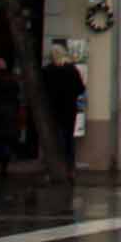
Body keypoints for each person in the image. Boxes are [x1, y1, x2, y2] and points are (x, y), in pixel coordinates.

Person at [40, 46, 85, 175]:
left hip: (53, 109)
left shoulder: (48, 70)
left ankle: (57, 166)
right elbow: (80, 88)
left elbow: (43, 90)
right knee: (69, 138)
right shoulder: (71, 70)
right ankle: (70, 167)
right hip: (70, 108)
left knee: (56, 137)